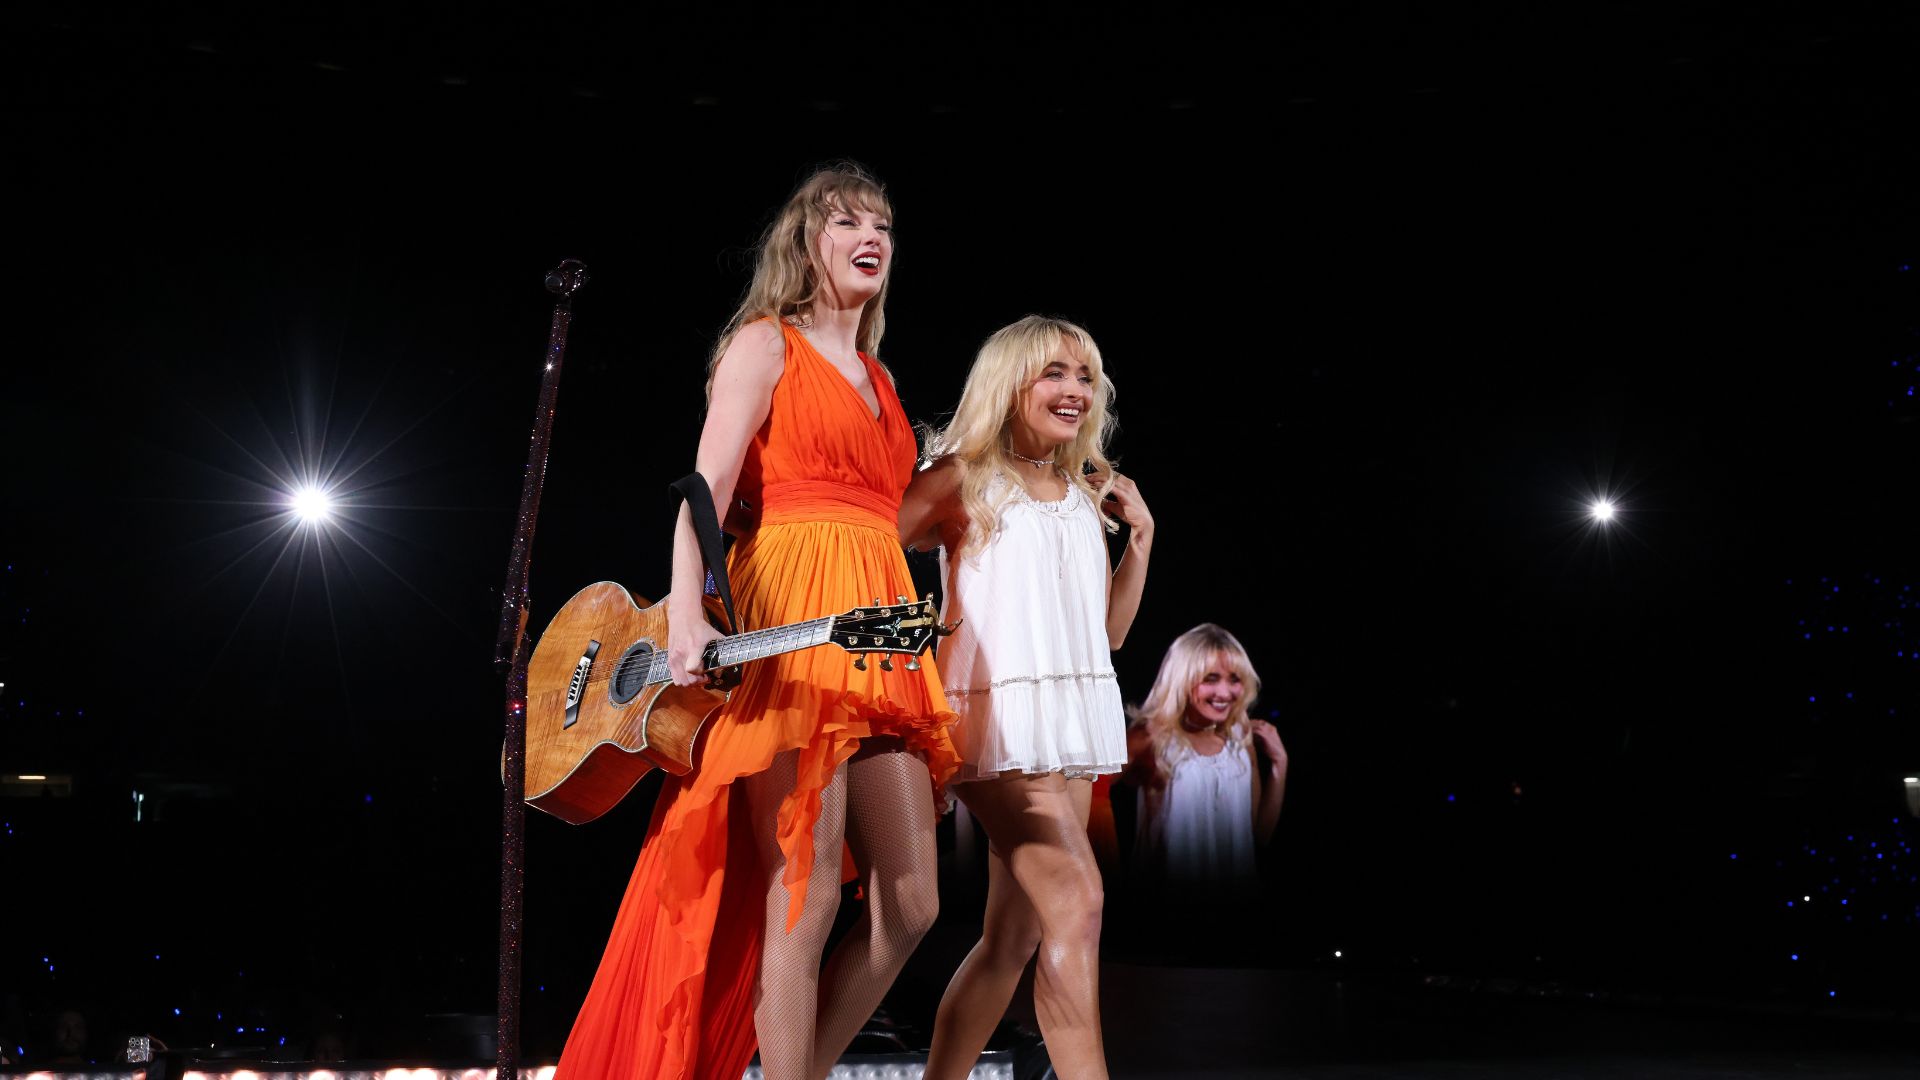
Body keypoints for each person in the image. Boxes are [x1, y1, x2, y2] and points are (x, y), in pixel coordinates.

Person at [556, 163, 962, 1080]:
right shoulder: (764, 344)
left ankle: (793, 1071)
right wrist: (687, 616)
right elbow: (704, 488)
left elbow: (897, 511)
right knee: (803, 889)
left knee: (912, 905)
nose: (872, 236)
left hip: (878, 629)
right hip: (789, 617)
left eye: (884, 225)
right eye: (847, 220)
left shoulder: (884, 379)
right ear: (805, 243)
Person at [898, 315, 1153, 1080]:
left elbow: (1105, 634)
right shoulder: (961, 475)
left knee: (1012, 938)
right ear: (1010, 382)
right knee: (1079, 903)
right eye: (1055, 373)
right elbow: (867, 554)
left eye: (1085, 376)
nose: (1075, 390)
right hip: (994, 721)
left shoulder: (1082, 493)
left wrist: (1139, 541)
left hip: (1069, 729)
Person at [1123, 624, 1286, 890]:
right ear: (1182, 679)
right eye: (1210, 679)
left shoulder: (1240, 739)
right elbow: (1094, 790)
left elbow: (1258, 835)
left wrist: (1280, 764)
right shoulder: (1152, 737)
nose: (1224, 693)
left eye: (1234, 679)